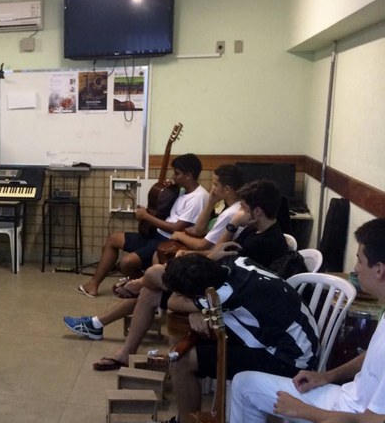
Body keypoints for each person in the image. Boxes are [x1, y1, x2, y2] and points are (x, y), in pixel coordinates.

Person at [82, 178, 293, 370]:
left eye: (244, 209)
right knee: (149, 292)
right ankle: (126, 353)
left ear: (256, 212)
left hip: (232, 305)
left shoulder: (263, 243)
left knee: (155, 273)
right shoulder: (253, 230)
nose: (240, 212)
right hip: (221, 288)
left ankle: (135, 284)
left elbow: (222, 272)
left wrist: (198, 305)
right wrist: (233, 225)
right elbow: (220, 253)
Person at [64, 164, 244, 341]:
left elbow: (205, 245)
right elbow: (200, 231)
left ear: (227, 189)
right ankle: (103, 317)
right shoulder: (228, 209)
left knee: (147, 282)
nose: (211, 189)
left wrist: (180, 237)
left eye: (215, 185)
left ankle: (124, 296)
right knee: (148, 284)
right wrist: (212, 202)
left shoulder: (230, 214)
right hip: (195, 257)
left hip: (203, 272)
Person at [229, 218, 385, 423]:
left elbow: (372, 421)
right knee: (244, 384)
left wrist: (302, 410)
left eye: (359, 260)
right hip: (347, 401)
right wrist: (326, 376)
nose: (355, 269)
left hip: (351, 417)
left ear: (379, 269)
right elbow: (372, 359)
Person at [163, 253, 318, 422]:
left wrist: (197, 308)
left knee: (182, 361)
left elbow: (172, 301)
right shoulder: (236, 261)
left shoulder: (224, 295)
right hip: (296, 338)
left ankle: (184, 421)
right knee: (198, 340)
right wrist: (198, 308)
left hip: (288, 358)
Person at [76, 153, 208, 297]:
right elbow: (166, 212)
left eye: (177, 173)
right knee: (114, 238)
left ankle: (143, 287)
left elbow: (176, 228)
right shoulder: (183, 191)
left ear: (188, 175)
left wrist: (146, 216)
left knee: (126, 263)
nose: (173, 176)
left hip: (169, 242)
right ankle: (93, 285)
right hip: (157, 234)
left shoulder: (198, 198)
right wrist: (152, 207)